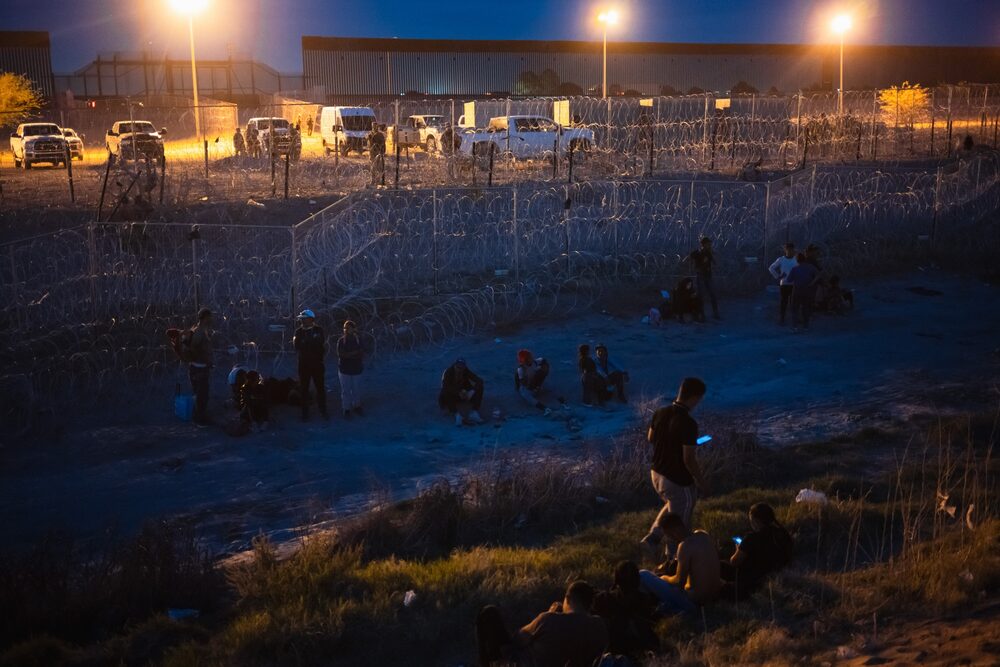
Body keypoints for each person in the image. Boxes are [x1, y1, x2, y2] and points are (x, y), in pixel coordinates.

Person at [640, 377, 711, 562]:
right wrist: (702, 483)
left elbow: (650, 438)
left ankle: (653, 538)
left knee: (673, 505)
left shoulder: (660, 413)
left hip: (656, 473)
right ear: (695, 397)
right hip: (677, 479)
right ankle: (674, 558)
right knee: (681, 522)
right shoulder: (688, 423)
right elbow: (688, 459)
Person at [476, 581, 609, 667]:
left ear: (567, 599)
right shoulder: (600, 626)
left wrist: (549, 613)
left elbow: (518, 639)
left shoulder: (548, 619)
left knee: (489, 613)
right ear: (589, 604)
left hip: (518, 663)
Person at [639, 513, 723, 614]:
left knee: (643, 574)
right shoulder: (703, 535)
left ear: (674, 531)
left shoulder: (684, 546)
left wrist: (664, 578)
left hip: (695, 602)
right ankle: (669, 608)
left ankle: (674, 609)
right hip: (714, 597)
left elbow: (679, 582)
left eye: (668, 535)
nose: (670, 538)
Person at [723, 502, 794, 600]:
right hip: (773, 576)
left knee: (720, 566)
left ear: (756, 520)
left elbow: (734, 562)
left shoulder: (751, 538)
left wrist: (738, 548)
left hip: (751, 581)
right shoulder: (782, 534)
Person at [592, 561, 659, 657]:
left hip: (612, 649)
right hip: (638, 648)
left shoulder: (605, 599)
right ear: (638, 580)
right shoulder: (645, 600)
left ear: (617, 580)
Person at [293, 309, 328, 421]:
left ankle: (323, 410)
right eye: (301, 319)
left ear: (311, 319)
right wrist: (308, 343)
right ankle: (305, 413)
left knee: (320, 388)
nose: (302, 321)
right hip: (304, 365)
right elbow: (297, 346)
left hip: (317, 364)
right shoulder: (298, 332)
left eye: (304, 319)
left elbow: (319, 344)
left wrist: (307, 343)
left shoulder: (318, 330)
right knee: (304, 389)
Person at [187, 307, 214, 427]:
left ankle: (199, 416)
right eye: (209, 317)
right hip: (199, 367)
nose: (211, 319)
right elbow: (194, 347)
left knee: (199, 393)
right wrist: (205, 360)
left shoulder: (202, 329)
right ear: (204, 318)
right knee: (201, 394)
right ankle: (199, 419)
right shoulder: (199, 331)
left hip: (199, 366)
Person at [438, 358, 484, 426]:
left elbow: (479, 380)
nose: (460, 369)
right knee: (446, 392)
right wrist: (458, 392)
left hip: (464, 393)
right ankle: (457, 415)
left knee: (480, 387)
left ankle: (474, 413)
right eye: (458, 367)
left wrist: (472, 391)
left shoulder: (465, 371)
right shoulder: (448, 372)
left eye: (462, 367)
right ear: (455, 365)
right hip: (452, 395)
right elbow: (445, 387)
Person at [336, 320, 364, 418]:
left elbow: (361, 352)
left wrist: (349, 355)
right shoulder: (341, 341)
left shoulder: (358, 339)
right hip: (344, 369)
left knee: (356, 389)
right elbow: (341, 354)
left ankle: (357, 406)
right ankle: (346, 408)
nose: (347, 329)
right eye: (345, 328)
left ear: (354, 328)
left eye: (349, 327)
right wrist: (353, 354)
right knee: (346, 390)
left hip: (356, 368)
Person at [786, 253, 819, 332]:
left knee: (795, 309)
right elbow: (818, 275)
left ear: (797, 260)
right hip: (807, 290)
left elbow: (789, 280)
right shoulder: (811, 267)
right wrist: (812, 282)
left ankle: (795, 327)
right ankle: (806, 327)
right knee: (806, 308)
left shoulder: (795, 268)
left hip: (797, 290)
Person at [688, 237, 720, 319]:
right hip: (701, 276)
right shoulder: (698, 252)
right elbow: (690, 258)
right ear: (704, 245)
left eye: (710, 244)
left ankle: (714, 313)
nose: (710, 245)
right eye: (708, 244)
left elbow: (715, 262)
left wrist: (712, 255)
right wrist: (697, 267)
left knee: (712, 295)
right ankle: (701, 314)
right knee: (701, 296)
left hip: (708, 275)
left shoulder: (708, 253)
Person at [768, 242, 799, 325]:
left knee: (793, 302)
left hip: (794, 284)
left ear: (793, 250)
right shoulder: (781, 259)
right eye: (788, 250)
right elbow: (771, 268)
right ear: (785, 250)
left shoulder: (796, 259)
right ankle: (782, 318)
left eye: (791, 250)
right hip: (784, 283)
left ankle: (794, 319)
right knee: (784, 302)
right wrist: (778, 276)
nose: (790, 251)